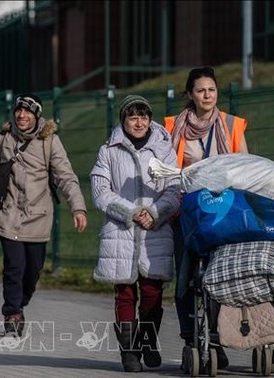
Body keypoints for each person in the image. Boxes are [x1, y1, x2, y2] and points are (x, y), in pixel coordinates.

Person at [0, 93, 88, 337]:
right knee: (14, 266)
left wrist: (78, 207)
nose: (22, 115)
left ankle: (20, 303)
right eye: (18, 110)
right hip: (9, 213)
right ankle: (11, 313)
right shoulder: (2, 138)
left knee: (32, 271)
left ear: (37, 116)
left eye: (28, 111)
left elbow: (66, 176)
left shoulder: (50, 141)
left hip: (39, 216)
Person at [165, 66, 249, 370]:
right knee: (186, 279)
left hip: (223, 213)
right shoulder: (174, 127)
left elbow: (245, 168)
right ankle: (191, 338)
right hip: (185, 211)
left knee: (218, 278)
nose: (207, 95)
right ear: (189, 94)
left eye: (211, 90)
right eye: (200, 90)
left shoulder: (229, 125)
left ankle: (215, 339)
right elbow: (165, 169)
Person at [90, 95, 181, 372]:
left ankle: (149, 341)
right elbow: (101, 191)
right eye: (133, 117)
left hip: (155, 229)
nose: (139, 122)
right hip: (121, 231)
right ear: (123, 120)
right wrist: (132, 212)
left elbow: (174, 189)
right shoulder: (108, 151)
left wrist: (153, 213)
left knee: (153, 291)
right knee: (125, 293)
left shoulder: (163, 150)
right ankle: (129, 352)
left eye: (144, 116)